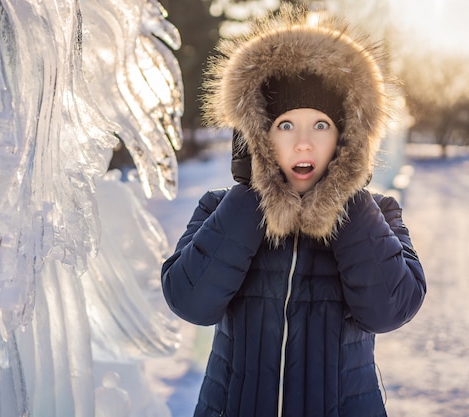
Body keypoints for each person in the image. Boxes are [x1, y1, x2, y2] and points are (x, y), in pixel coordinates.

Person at [161, 5, 426, 417]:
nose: (303, 143)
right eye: (285, 125)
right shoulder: (222, 208)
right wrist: (253, 194)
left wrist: (347, 196)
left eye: (320, 125)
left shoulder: (378, 213)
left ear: (346, 138)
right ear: (258, 135)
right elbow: (189, 301)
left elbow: (390, 309)